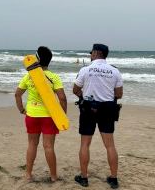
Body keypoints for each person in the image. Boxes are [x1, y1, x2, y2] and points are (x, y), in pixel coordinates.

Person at [73, 44, 123, 189]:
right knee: (110, 145)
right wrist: (105, 97)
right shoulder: (114, 71)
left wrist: (85, 96)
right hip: (108, 108)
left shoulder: (85, 69)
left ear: (96, 53)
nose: (90, 55)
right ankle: (113, 178)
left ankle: (84, 178)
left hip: (88, 107)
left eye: (91, 53)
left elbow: (75, 89)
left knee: (85, 144)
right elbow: (119, 94)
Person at [15, 46, 67, 182]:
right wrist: (62, 116)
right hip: (49, 116)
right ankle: (54, 176)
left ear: (37, 59)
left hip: (32, 115)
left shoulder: (29, 76)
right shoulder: (54, 77)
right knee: (49, 146)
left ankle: (28, 174)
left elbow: (17, 94)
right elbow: (62, 98)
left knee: (32, 144)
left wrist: (22, 110)